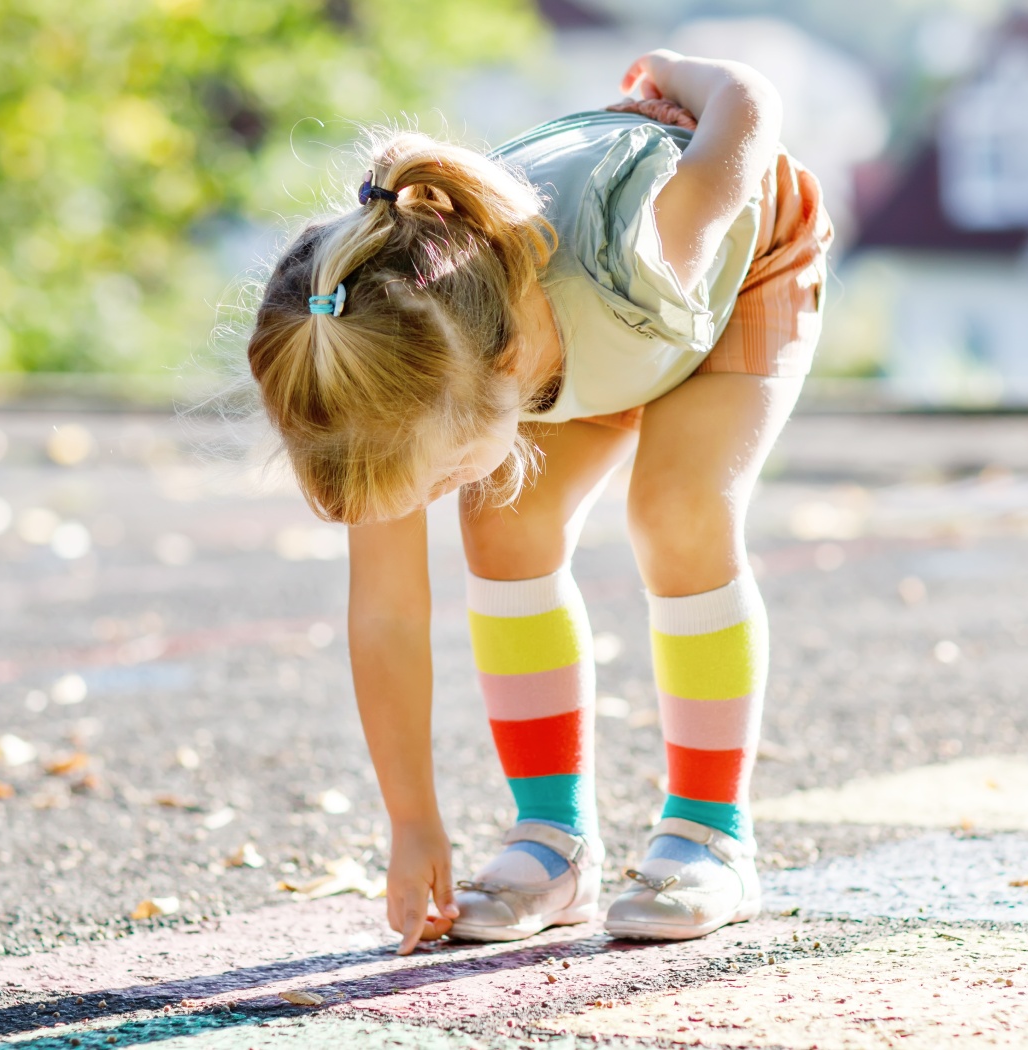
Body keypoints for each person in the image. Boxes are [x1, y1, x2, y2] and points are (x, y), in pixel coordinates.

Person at [245, 49, 832, 955]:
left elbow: (753, 100)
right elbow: (388, 617)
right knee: (504, 519)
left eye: (436, 476)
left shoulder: (657, 237)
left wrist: (681, 74)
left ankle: (711, 834)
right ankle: (554, 843)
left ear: (499, 380)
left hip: (733, 267)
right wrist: (414, 824)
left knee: (679, 511)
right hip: (590, 335)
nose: (434, 497)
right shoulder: (391, 371)